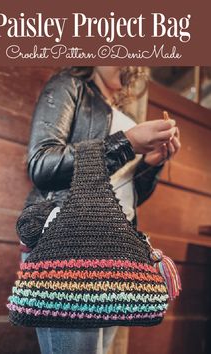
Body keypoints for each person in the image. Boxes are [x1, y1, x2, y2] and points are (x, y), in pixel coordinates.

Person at [20, 66, 181, 354]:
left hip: (115, 252)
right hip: (68, 246)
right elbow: (42, 164)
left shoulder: (122, 115)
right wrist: (128, 142)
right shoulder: (69, 85)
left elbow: (125, 196)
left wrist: (150, 165)